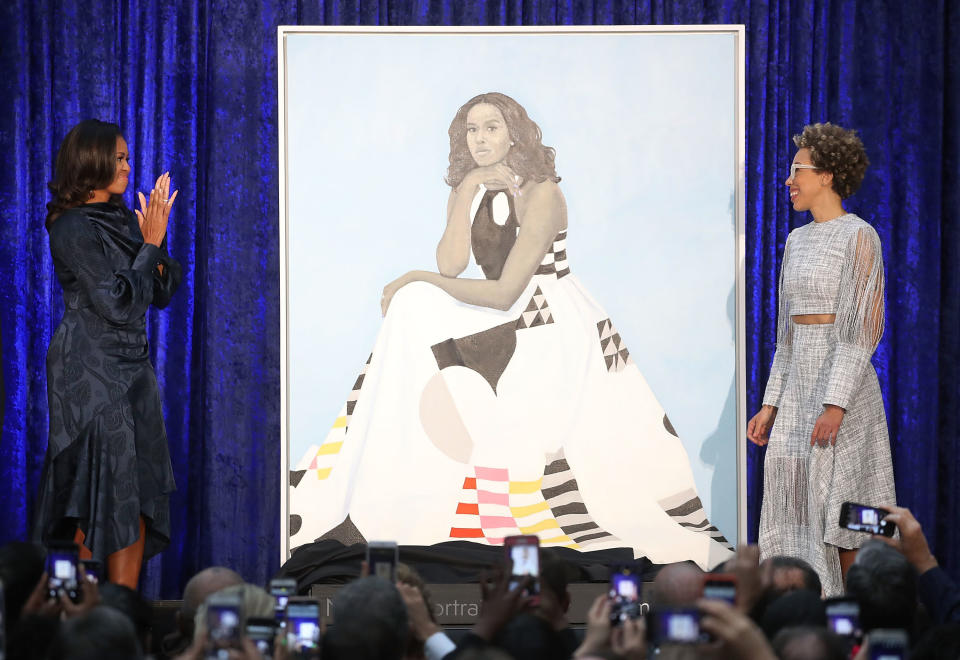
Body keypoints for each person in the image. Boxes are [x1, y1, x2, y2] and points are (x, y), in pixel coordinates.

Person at [290, 92, 732, 569]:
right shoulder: (471, 186)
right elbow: (452, 264)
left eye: (491, 128)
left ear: (515, 133)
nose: (479, 138)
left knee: (416, 295)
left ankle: (454, 480)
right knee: (413, 305)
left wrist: (414, 278)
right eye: (471, 130)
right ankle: (388, 469)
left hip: (546, 317)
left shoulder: (543, 192)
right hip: (503, 311)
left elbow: (505, 293)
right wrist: (466, 191)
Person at [747, 122, 896, 596]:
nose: (789, 181)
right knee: (791, 504)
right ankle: (800, 616)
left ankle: (865, 623)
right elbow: (786, 339)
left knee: (847, 511)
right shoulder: (795, 241)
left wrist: (835, 404)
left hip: (844, 390)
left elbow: (864, 330)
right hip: (797, 393)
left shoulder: (860, 236)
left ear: (828, 175)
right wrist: (770, 405)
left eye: (798, 171)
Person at [32, 119, 181, 589]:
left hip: (133, 371)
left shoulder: (120, 218)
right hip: (90, 375)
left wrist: (150, 243)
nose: (127, 166)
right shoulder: (71, 227)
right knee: (91, 497)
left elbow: (162, 290)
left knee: (135, 497)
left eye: (126, 157)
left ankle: (123, 622)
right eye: (118, 158)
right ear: (91, 160)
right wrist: (150, 244)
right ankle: (66, 619)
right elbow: (117, 301)